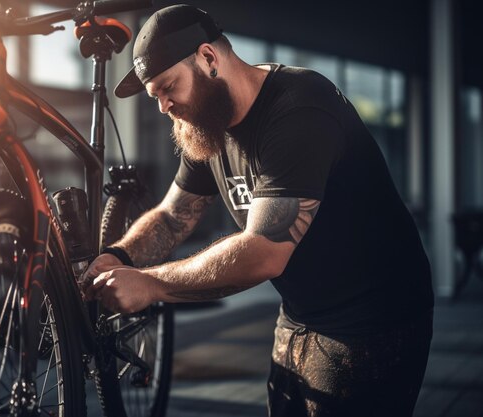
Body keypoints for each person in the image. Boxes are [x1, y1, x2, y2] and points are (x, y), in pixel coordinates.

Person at [82, 4, 434, 417]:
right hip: (301, 313)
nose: (164, 107)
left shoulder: (299, 109)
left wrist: (151, 284)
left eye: (168, 87)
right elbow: (174, 216)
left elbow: (265, 252)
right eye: (155, 95)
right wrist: (118, 257)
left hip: (375, 317)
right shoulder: (204, 124)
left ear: (208, 58)